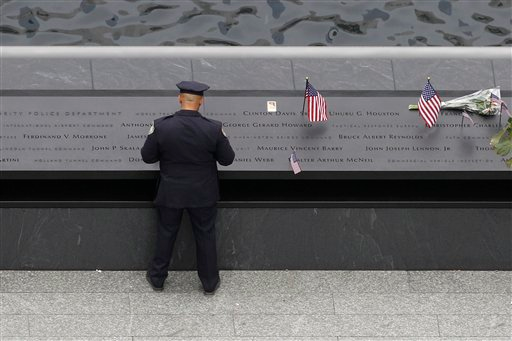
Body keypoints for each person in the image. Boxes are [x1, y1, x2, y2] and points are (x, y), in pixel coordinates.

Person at [141, 80, 235, 295]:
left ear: (179, 99)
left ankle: (157, 279)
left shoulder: (161, 125)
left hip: (170, 191)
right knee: (205, 235)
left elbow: (147, 157)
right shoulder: (214, 128)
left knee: (166, 233)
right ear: (201, 102)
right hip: (203, 192)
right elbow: (227, 160)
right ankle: (209, 282)